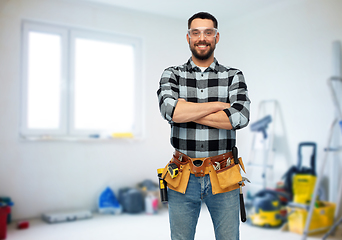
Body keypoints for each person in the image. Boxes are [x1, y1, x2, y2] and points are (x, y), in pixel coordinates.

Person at [157, 12, 251, 240]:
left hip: (224, 173)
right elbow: (169, 111)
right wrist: (219, 106)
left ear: (216, 37)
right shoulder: (172, 74)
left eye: (208, 32)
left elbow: (238, 118)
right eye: (195, 32)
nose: (202, 38)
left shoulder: (233, 76)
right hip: (182, 173)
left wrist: (185, 111)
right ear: (188, 38)